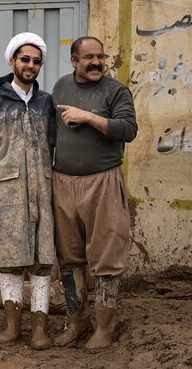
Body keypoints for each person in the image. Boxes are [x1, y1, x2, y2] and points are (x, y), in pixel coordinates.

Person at [0, 33, 56, 350]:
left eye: (36, 60)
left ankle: (40, 330)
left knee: (42, 261)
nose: (30, 65)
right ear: (12, 62)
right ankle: (11, 326)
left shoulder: (47, 103)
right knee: (9, 260)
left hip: (43, 191)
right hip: (5, 193)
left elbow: (56, 145)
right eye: (25, 59)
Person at [51, 36, 137, 349]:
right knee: (69, 258)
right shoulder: (60, 88)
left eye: (100, 56)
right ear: (74, 61)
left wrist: (88, 117)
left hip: (103, 183)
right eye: (89, 57)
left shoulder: (116, 90)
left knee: (106, 256)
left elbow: (128, 130)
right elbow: (52, 134)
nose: (97, 62)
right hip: (63, 183)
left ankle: (104, 326)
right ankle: (76, 321)